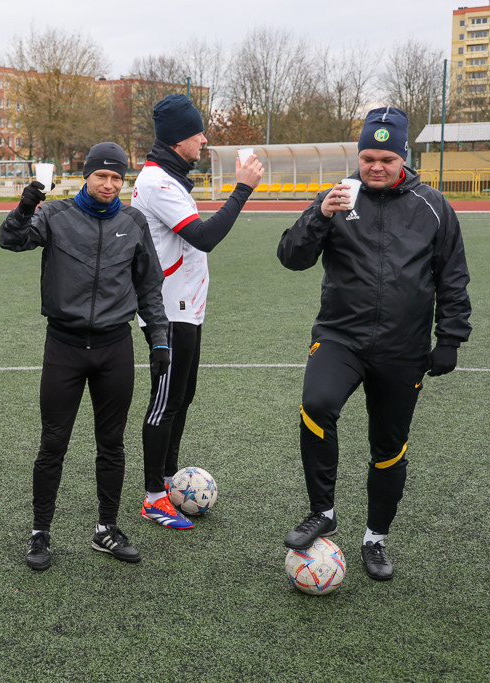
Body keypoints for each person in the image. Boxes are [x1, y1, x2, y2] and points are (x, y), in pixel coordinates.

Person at [278, 106, 471, 580]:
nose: (376, 166)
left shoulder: (433, 206)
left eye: (386, 157)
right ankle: (323, 510)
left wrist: (450, 338)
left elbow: (453, 278)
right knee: (316, 405)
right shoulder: (338, 196)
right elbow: (291, 257)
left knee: (389, 446)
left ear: (403, 157)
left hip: (402, 349)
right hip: (340, 337)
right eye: (368, 157)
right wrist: (320, 216)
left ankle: (375, 539)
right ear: (358, 157)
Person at [0, 142, 170, 571]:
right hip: (65, 347)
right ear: (86, 176)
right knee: (53, 443)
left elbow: (149, 286)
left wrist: (160, 339)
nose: (109, 184)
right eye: (101, 176)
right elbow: (10, 240)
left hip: (115, 348)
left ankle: (106, 529)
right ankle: (40, 533)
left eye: (117, 178)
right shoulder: (55, 215)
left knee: (111, 444)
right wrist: (25, 206)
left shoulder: (133, 222)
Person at [131, 94, 264, 530]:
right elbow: (205, 237)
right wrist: (242, 189)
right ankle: (153, 496)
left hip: (186, 309)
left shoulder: (170, 178)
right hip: (168, 311)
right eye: (197, 134)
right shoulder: (158, 183)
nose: (204, 141)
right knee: (164, 402)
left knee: (182, 397)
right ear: (177, 140)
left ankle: (167, 479)